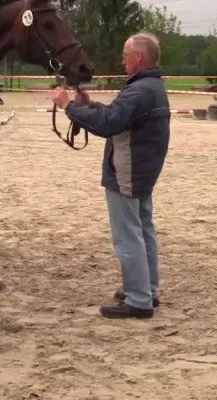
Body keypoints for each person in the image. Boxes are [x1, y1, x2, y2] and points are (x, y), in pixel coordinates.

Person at [51, 32, 170, 319]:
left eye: (125, 54)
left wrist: (68, 106)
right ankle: (147, 290)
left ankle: (139, 299)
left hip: (127, 169)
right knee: (143, 229)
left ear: (138, 58)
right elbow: (118, 116)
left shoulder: (138, 91)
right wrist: (86, 106)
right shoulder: (151, 87)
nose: (122, 58)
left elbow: (108, 124)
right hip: (143, 169)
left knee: (127, 234)